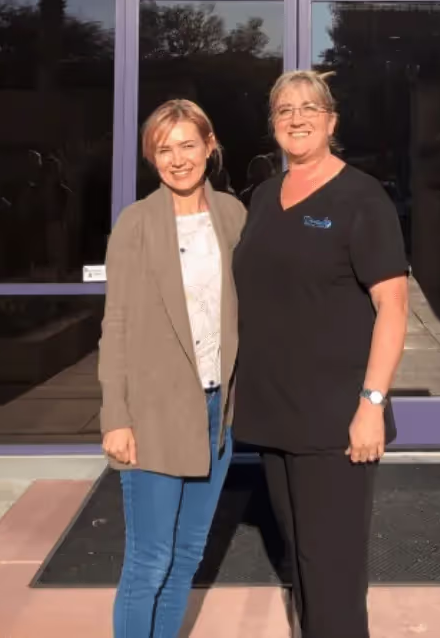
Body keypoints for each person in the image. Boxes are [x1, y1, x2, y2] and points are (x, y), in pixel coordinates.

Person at [231, 70, 410, 638]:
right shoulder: (261, 197)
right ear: (273, 125)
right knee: (303, 569)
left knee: (333, 572)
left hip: (336, 420)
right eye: (284, 110)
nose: (296, 118)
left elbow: (394, 307)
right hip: (274, 416)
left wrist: (371, 405)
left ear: (331, 121)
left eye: (309, 108)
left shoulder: (362, 196)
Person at [98, 99, 247, 638]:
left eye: (188, 144)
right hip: (155, 413)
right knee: (148, 563)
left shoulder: (233, 214)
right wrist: (116, 415)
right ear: (151, 158)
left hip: (216, 414)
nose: (178, 159)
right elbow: (115, 323)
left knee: (186, 557)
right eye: (165, 149)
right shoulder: (136, 222)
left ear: (210, 146)